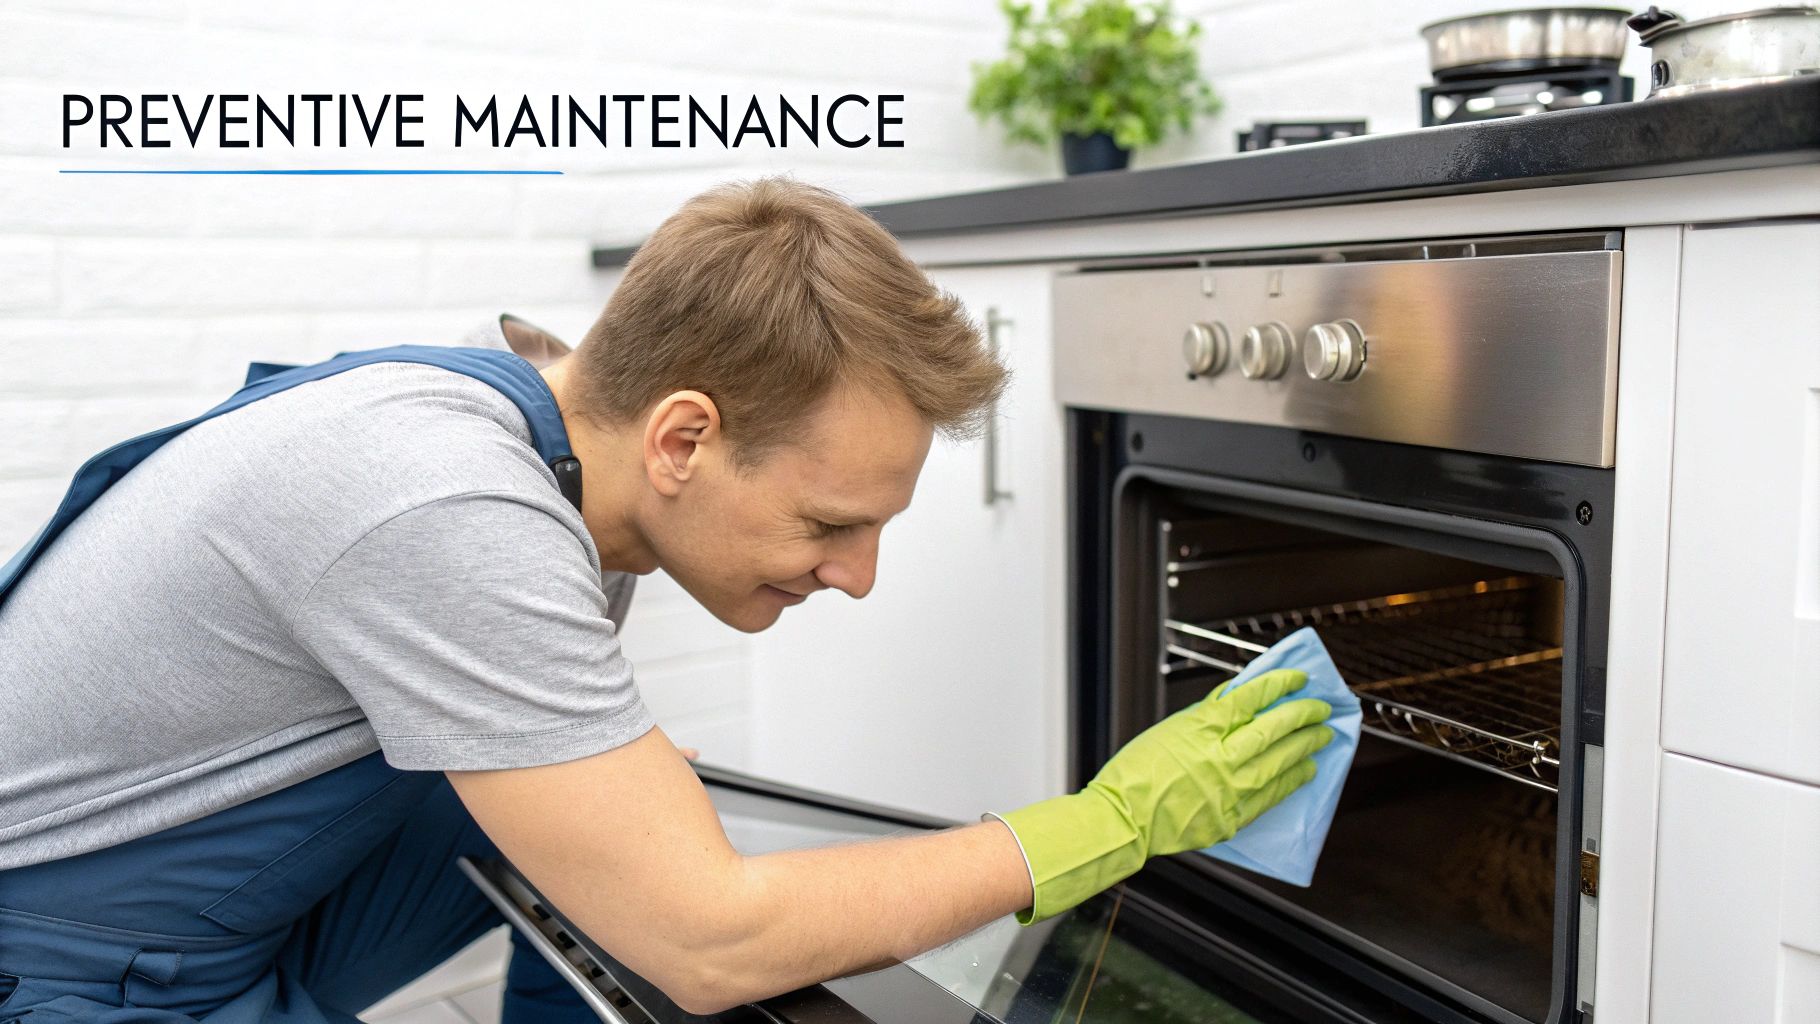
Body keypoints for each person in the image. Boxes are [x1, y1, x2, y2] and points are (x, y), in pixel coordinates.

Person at [0, 177, 1332, 1021]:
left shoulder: (543, 411)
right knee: (687, 902)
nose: (856, 578)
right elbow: (707, 946)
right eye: (832, 522)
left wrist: (632, 819)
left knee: (643, 818)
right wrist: (1099, 827)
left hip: (232, 923)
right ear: (685, 439)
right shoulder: (449, 504)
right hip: (53, 968)